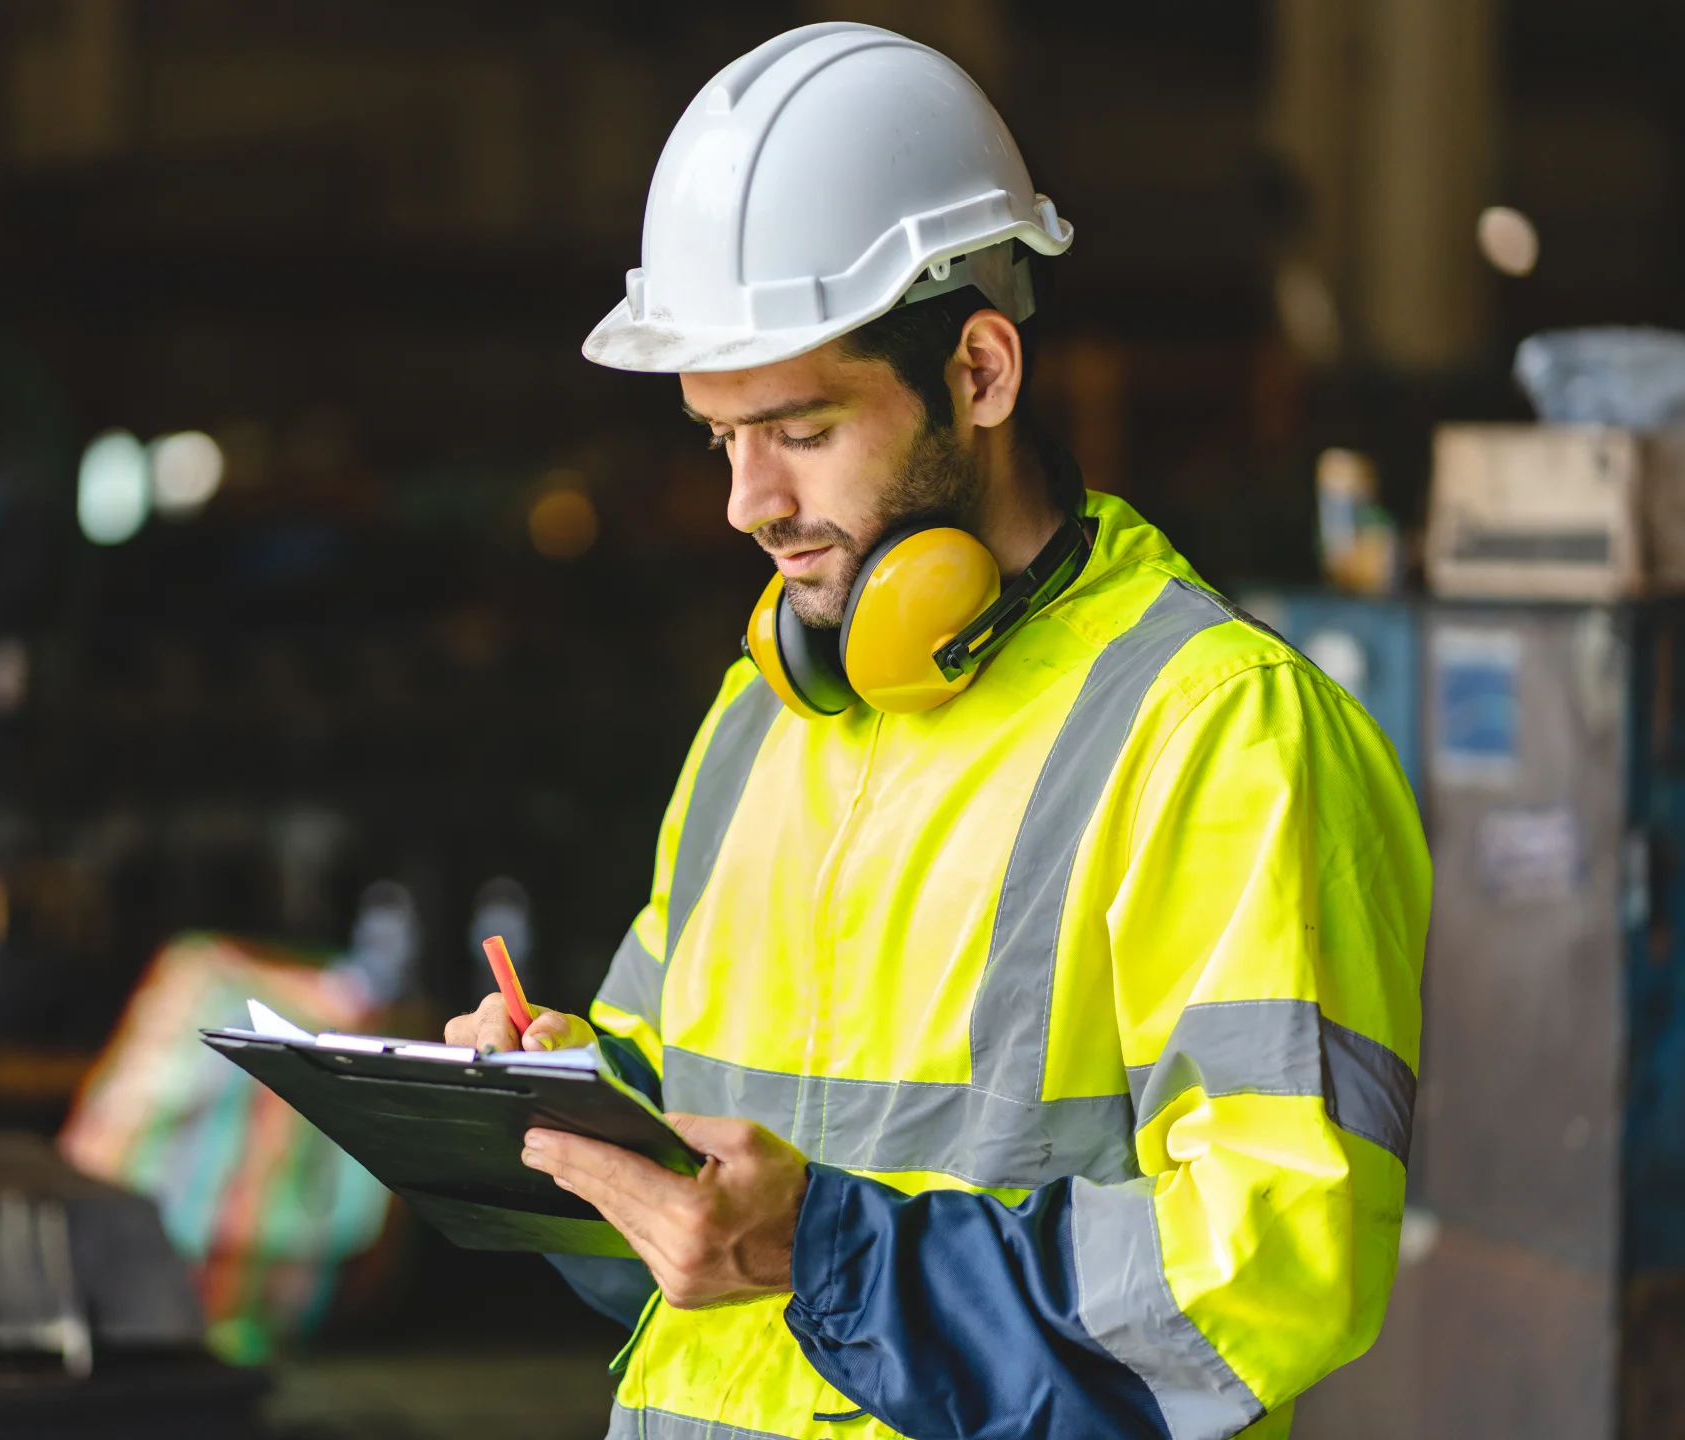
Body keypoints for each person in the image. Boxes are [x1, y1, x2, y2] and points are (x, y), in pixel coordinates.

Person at [445, 23, 1426, 1440]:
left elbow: (1275, 1265)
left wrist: (816, 1251)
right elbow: (690, 1148)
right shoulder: (765, 715)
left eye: (799, 428)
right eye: (721, 437)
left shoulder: (1218, 731)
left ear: (980, 371)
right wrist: (567, 1110)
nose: (747, 502)